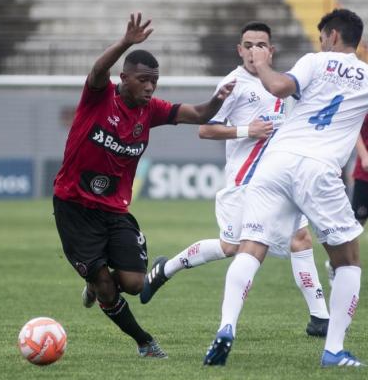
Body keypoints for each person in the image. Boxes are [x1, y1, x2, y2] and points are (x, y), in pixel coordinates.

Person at [52, 12, 235, 359]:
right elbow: (96, 70)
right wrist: (125, 42)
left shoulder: (151, 111)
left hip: (114, 210)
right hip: (74, 206)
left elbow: (197, 114)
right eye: (143, 80)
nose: (150, 87)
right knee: (107, 287)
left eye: (154, 81)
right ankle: (144, 341)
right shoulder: (99, 97)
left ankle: (95, 281)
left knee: (134, 285)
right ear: (124, 78)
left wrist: (218, 100)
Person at [140, 22, 330, 337]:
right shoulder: (233, 83)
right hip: (245, 183)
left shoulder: (283, 84)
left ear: (271, 51)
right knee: (231, 248)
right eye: (248, 44)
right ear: (239, 50)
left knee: (301, 239)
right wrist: (247, 130)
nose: (254, 50)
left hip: (282, 182)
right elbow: (204, 129)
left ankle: (320, 319)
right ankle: (167, 268)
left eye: (261, 44)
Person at [203, 8, 368, 368]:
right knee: (348, 260)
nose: (321, 42)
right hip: (318, 169)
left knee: (251, 246)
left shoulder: (315, 61)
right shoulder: (367, 77)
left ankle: (227, 325)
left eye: (323, 36)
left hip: (276, 162)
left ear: (334, 37)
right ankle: (334, 349)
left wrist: (260, 64)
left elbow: (278, 86)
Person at [326, 113, 368, 286]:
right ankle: (337, 263)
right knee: (355, 223)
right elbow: (355, 127)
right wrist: (364, 155)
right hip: (365, 175)